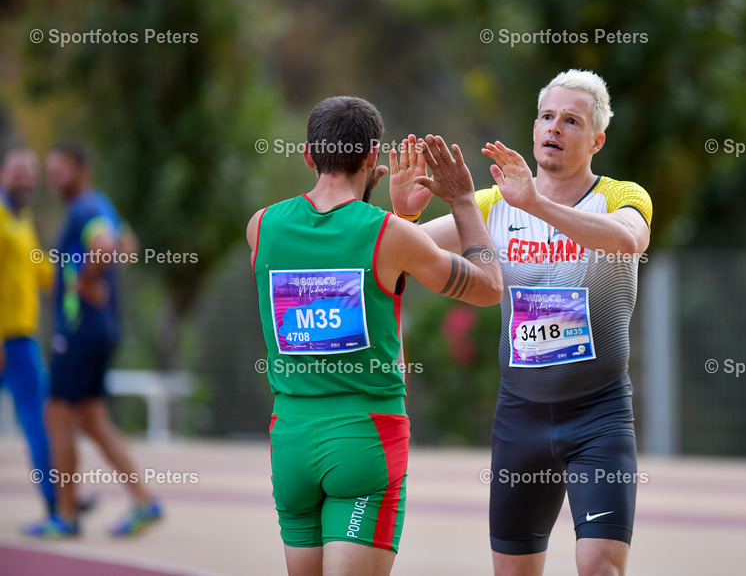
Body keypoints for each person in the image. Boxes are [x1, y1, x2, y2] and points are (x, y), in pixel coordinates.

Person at [391, 70, 652, 576]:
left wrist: (538, 204)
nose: (555, 127)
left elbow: (626, 242)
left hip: (598, 414)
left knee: (602, 567)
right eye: (547, 116)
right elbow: (403, 256)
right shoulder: (490, 206)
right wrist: (404, 217)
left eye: (571, 121)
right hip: (520, 417)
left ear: (596, 140)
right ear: (534, 129)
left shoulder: (623, 196)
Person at [247, 96, 502, 576]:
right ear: (372, 158)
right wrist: (464, 201)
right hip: (366, 439)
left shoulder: (261, 228)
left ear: (307, 155)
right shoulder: (387, 232)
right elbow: (489, 287)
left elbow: (342, 258)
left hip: (292, 442)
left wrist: (388, 216)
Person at [23, 141, 160, 538]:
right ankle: (143, 500)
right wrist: (98, 273)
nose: (52, 179)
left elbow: (104, 247)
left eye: (60, 170)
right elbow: (127, 246)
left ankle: (65, 515)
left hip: (80, 333)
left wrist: (86, 280)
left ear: (82, 170)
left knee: (56, 414)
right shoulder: (100, 206)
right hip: (98, 330)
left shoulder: (84, 208)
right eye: (49, 172)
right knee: (91, 418)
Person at [0, 146, 56, 520]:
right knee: (40, 421)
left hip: (22, 342)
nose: (26, 177)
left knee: (41, 422)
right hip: (6, 340)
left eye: (30, 171)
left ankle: (58, 501)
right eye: (19, 169)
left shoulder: (23, 218)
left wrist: (83, 272)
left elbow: (45, 274)